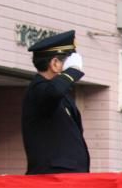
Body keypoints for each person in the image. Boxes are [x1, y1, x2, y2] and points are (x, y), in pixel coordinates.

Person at [22, 30, 90, 174]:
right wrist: (73, 71)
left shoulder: (61, 95)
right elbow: (53, 92)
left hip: (67, 178)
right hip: (52, 178)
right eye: (68, 62)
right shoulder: (39, 89)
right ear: (54, 63)